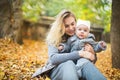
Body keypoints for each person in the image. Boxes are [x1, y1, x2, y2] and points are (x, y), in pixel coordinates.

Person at [32, 9, 106, 80]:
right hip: (59, 69)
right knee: (68, 63)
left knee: (86, 64)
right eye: (66, 26)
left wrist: (93, 54)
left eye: (73, 24)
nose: (71, 28)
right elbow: (53, 59)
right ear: (60, 26)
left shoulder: (82, 37)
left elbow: (91, 57)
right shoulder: (54, 37)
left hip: (78, 68)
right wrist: (80, 53)